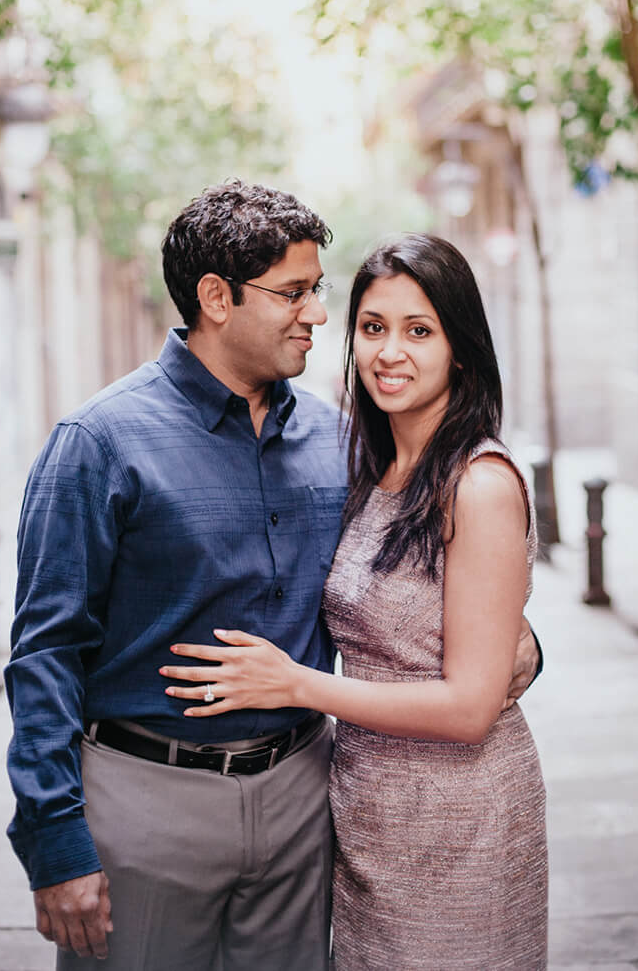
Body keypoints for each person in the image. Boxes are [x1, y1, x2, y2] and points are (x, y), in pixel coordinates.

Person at [3, 183, 539, 969]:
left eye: (318, 291)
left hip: (306, 802)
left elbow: (430, 579)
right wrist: (55, 840)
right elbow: (44, 650)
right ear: (216, 299)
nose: (317, 314)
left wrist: (514, 651)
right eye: (293, 292)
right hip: (149, 799)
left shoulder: (342, 442)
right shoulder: (100, 440)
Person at [160, 232, 547, 970]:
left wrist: (296, 684)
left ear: (460, 348)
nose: (389, 353)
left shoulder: (480, 483)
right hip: (366, 819)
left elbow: (470, 708)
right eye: (373, 328)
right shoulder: (373, 467)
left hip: (461, 819)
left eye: (418, 331)